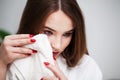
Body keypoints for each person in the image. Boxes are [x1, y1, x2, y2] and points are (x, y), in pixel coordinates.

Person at [0, 0, 102, 80]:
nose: (58, 45)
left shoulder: (88, 67)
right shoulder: (14, 62)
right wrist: (1, 64)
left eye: (67, 34)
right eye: (48, 32)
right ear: (31, 24)